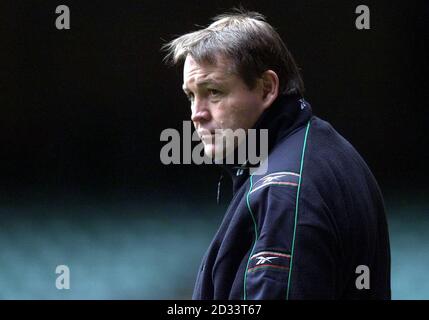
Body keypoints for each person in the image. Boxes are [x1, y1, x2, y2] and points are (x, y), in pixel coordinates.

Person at [163, 9, 391, 299]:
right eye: (191, 95)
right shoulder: (328, 150)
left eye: (214, 91)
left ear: (267, 88)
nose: (197, 114)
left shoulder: (283, 188)